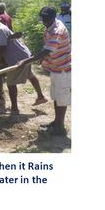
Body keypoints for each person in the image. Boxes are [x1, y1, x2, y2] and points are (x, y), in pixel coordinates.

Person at [0, 13, 47, 115]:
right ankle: (41, 97)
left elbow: (1, 49)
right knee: (29, 74)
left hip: (17, 57)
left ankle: (14, 109)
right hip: (22, 54)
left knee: (11, 83)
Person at [19, 7, 71, 135]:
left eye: (46, 19)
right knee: (56, 96)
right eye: (43, 19)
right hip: (56, 68)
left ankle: (60, 128)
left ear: (53, 17)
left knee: (61, 98)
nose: (44, 22)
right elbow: (47, 48)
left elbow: (48, 50)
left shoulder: (57, 30)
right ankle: (56, 122)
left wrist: (25, 61)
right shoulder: (50, 25)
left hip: (63, 69)